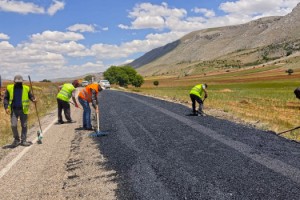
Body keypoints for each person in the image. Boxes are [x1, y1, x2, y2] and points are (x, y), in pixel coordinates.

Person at [3, 75, 36, 147]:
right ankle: (16, 140)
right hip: (14, 110)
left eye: (20, 82)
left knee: (24, 125)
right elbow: (6, 98)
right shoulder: (9, 88)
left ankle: (23, 140)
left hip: (23, 110)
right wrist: (6, 107)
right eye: (17, 82)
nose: (19, 84)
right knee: (13, 125)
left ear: (22, 82)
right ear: (14, 82)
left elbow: (30, 96)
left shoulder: (26, 88)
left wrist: (33, 99)